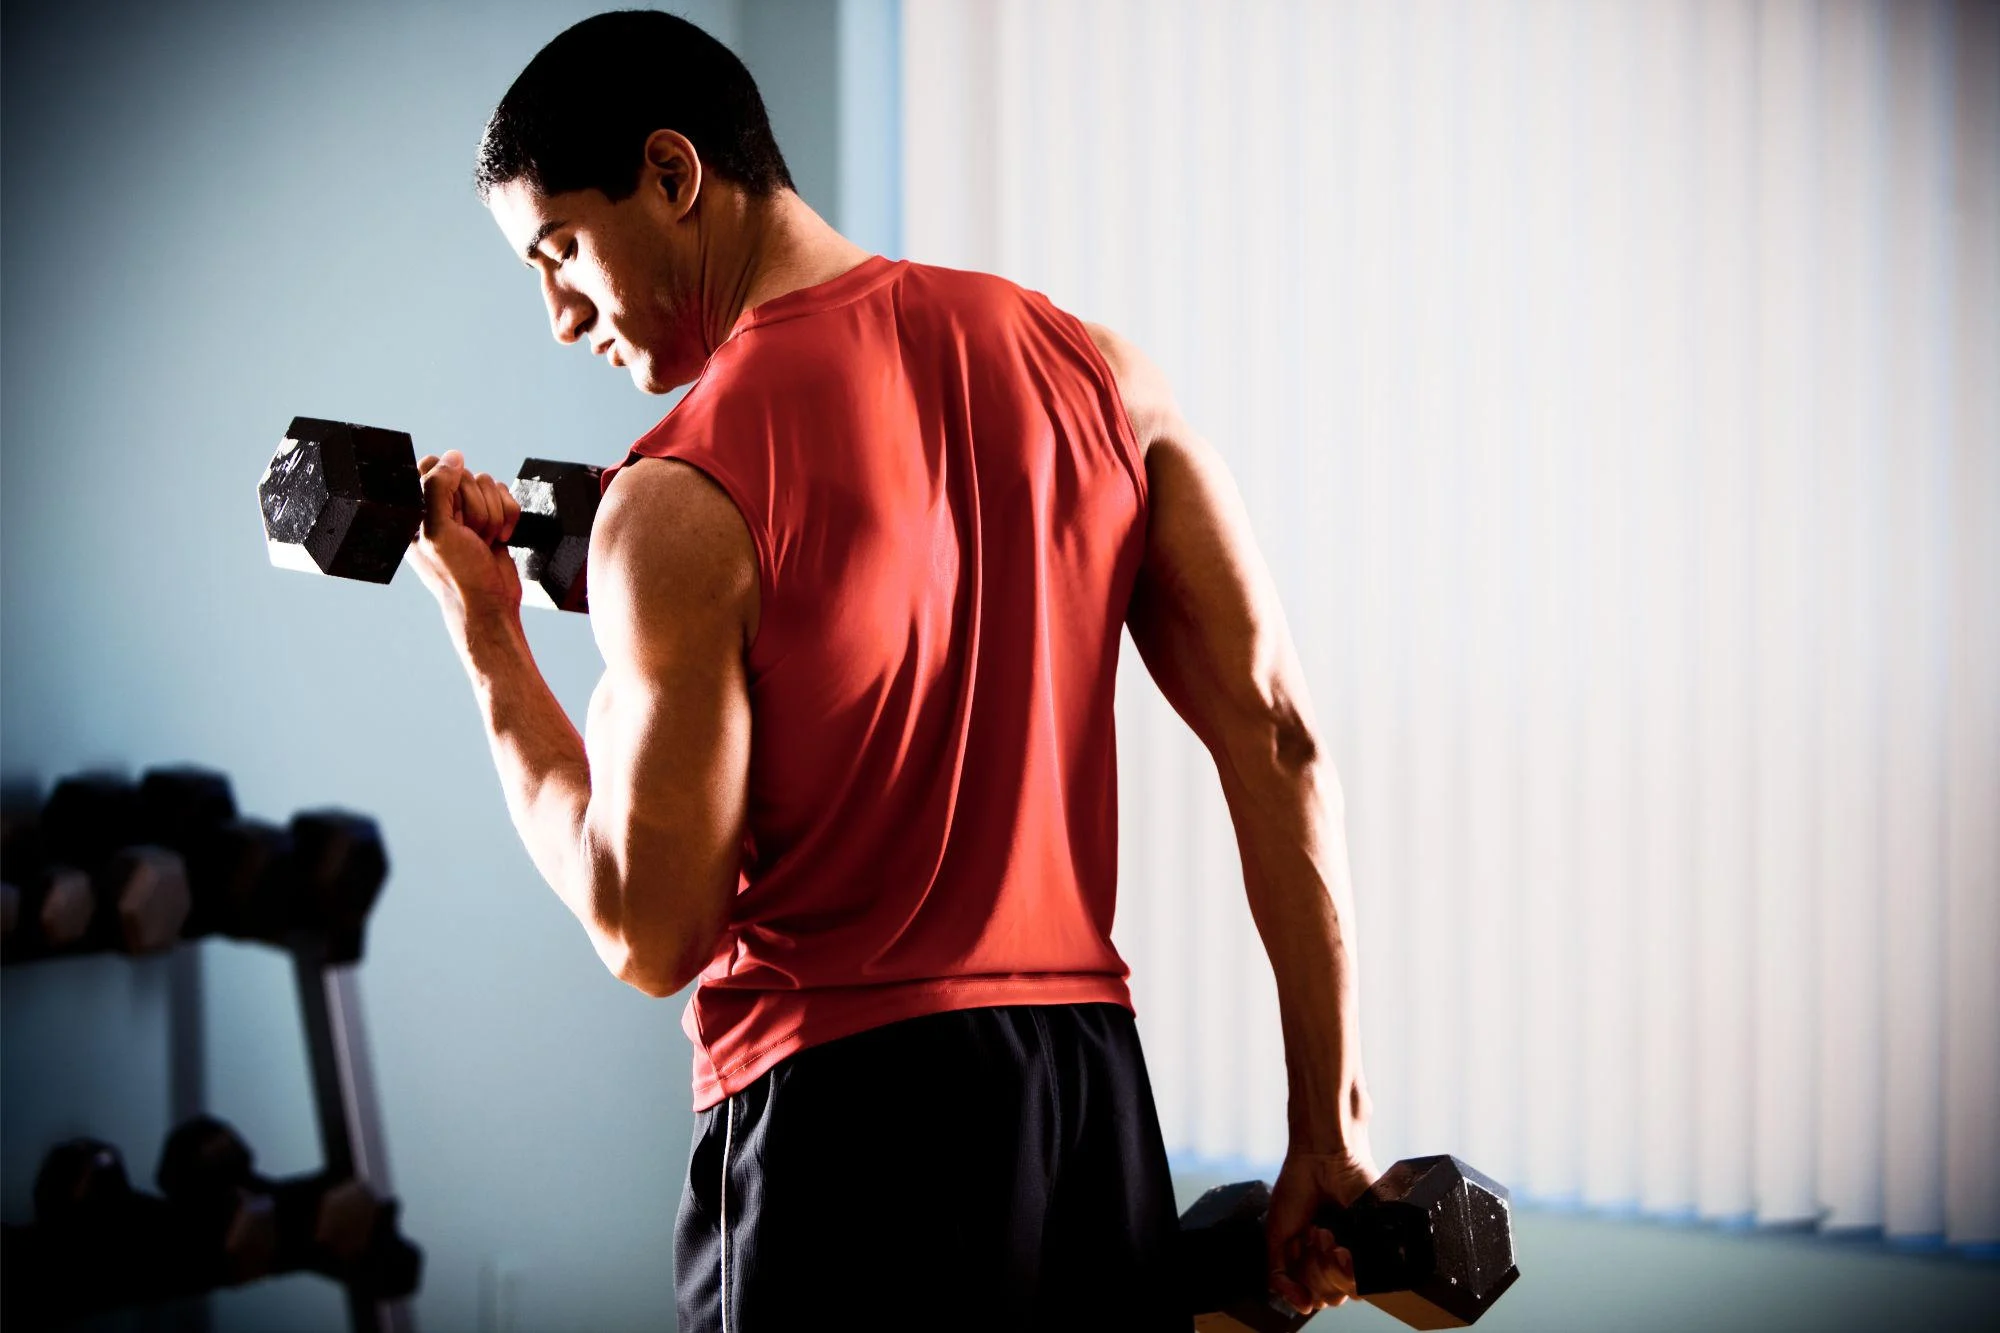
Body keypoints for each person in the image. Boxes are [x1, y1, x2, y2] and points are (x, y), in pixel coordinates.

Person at [407, 10, 1375, 1330]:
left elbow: (649, 932)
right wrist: (1328, 1128)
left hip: (838, 1132)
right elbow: (1281, 743)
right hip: (1082, 1101)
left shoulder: (679, 496)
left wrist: (489, 642)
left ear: (674, 174)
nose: (560, 315)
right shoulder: (1102, 375)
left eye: (561, 249)